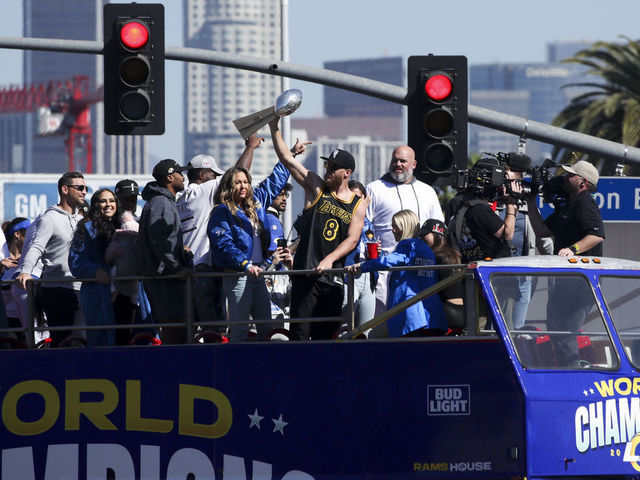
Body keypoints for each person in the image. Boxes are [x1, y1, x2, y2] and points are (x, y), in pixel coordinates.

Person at [269, 118, 366, 340]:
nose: (328, 169)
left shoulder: (357, 204)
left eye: (333, 167)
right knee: (300, 337)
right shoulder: (317, 187)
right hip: (306, 275)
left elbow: (352, 240)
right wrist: (274, 127)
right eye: (327, 165)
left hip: (332, 279)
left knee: (325, 338)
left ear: (347, 172)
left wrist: (330, 259)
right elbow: (287, 159)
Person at [177, 135, 266, 337]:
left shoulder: (181, 198)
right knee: (216, 331)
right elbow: (235, 175)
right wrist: (251, 147)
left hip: (187, 271)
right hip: (206, 269)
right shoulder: (205, 191)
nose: (218, 180)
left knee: (191, 331)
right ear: (203, 174)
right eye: (213, 175)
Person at [525, 160, 604, 366]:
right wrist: (530, 201)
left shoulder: (585, 202)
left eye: (570, 175)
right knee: (555, 325)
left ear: (582, 182)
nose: (564, 178)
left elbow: (597, 235)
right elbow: (542, 231)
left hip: (582, 280)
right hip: (567, 279)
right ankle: (570, 368)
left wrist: (573, 250)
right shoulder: (568, 205)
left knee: (566, 327)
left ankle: (573, 369)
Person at [207, 157, 290, 342]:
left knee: (267, 329)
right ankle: (234, 370)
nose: (243, 186)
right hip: (238, 277)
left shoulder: (256, 204)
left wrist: (290, 155)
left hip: (258, 275)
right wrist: (245, 265)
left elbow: (274, 182)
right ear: (229, 186)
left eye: (246, 182)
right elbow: (224, 245)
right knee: (238, 332)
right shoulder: (222, 211)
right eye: (237, 182)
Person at [365, 145, 444, 314]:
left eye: (403, 161)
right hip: (384, 270)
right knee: (382, 320)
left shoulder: (427, 191)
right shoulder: (374, 188)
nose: (398, 164)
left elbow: (439, 229)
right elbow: (363, 226)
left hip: (420, 268)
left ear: (414, 164)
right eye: (395, 160)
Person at [347, 210, 447, 338]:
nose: (392, 230)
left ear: (405, 227)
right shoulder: (425, 248)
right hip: (431, 315)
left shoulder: (408, 245)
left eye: (396, 226)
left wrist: (362, 266)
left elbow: (390, 261)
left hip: (411, 315)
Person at [16, 171, 86, 347]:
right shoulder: (50, 218)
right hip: (57, 290)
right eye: (80, 188)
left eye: (85, 188)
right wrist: (25, 271)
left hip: (81, 288)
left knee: (81, 342)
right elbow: (36, 247)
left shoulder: (82, 219)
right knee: (62, 342)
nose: (84, 192)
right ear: (65, 190)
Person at [136, 159, 193, 345]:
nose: (183, 177)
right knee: (174, 330)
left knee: (178, 329)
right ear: (170, 177)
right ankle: (175, 369)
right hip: (165, 278)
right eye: (179, 173)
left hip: (165, 276)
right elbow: (160, 241)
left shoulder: (162, 201)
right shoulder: (161, 202)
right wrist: (177, 267)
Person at [69, 189, 123, 347]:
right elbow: (75, 260)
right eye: (103, 201)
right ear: (95, 205)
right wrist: (95, 270)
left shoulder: (123, 224)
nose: (108, 205)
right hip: (98, 294)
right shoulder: (86, 227)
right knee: (100, 341)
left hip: (124, 293)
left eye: (111, 200)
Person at [449, 158, 519, 263]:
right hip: (494, 271)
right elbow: (507, 234)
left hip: (475, 265)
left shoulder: (463, 206)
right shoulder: (480, 210)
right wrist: (510, 202)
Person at [342, 180, 377, 331]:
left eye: (359, 198)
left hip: (367, 276)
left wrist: (376, 252)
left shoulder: (369, 223)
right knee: (345, 327)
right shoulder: (342, 220)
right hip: (348, 276)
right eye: (353, 198)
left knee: (366, 328)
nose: (357, 202)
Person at [418, 219, 465, 330]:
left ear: (437, 234)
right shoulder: (452, 254)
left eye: (425, 234)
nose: (421, 238)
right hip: (460, 310)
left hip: (446, 311)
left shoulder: (437, 256)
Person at [1, 218, 29, 342]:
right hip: (5, 322)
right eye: (28, 232)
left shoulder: (31, 260)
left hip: (27, 321)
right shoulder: (2, 259)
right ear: (17, 234)